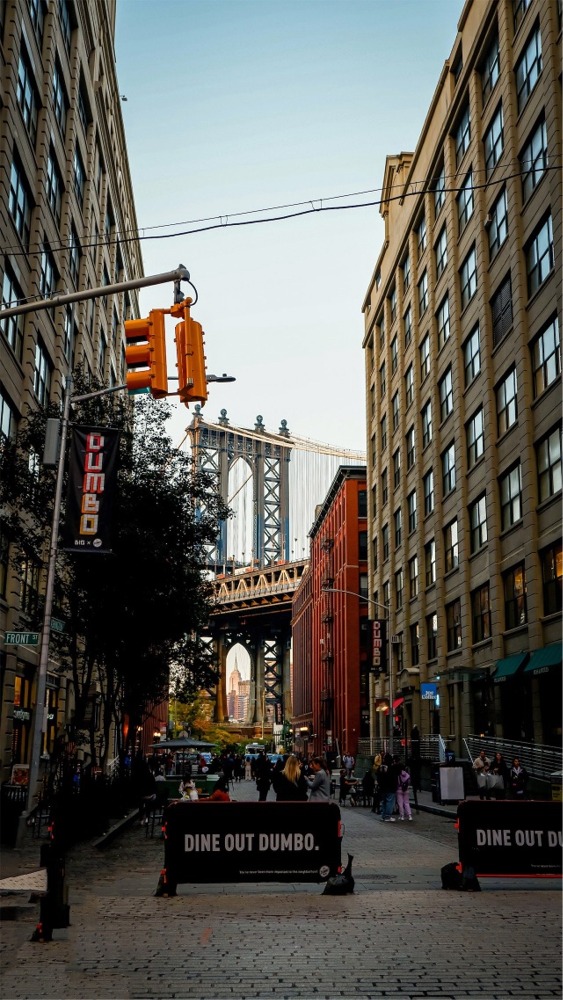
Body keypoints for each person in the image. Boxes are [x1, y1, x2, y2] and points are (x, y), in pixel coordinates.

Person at [378, 753, 399, 822]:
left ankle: (383, 816)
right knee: (390, 802)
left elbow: (378, 777)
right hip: (390, 788)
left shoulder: (381, 767)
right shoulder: (391, 768)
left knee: (384, 802)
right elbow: (394, 778)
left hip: (382, 788)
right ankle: (388, 816)